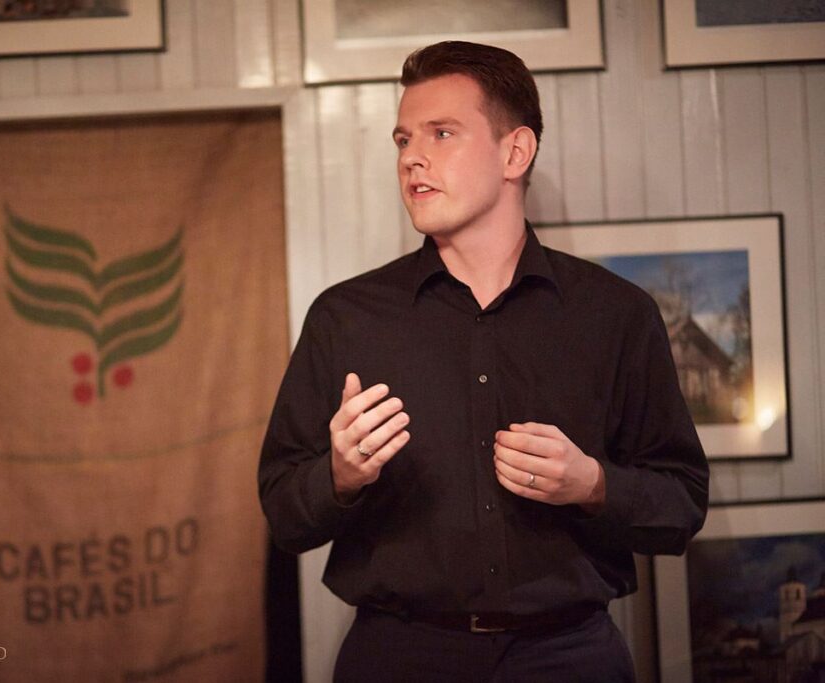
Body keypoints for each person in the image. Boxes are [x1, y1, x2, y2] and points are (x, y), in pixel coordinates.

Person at [258, 41, 709, 682]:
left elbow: (682, 505)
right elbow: (282, 512)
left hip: (570, 658)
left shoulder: (616, 315)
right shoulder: (346, 318)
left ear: (514, 153)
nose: (411, 157)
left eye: (441, 133)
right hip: (398, 659)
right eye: (403, 139)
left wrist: (592, 484)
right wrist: (339, 476)